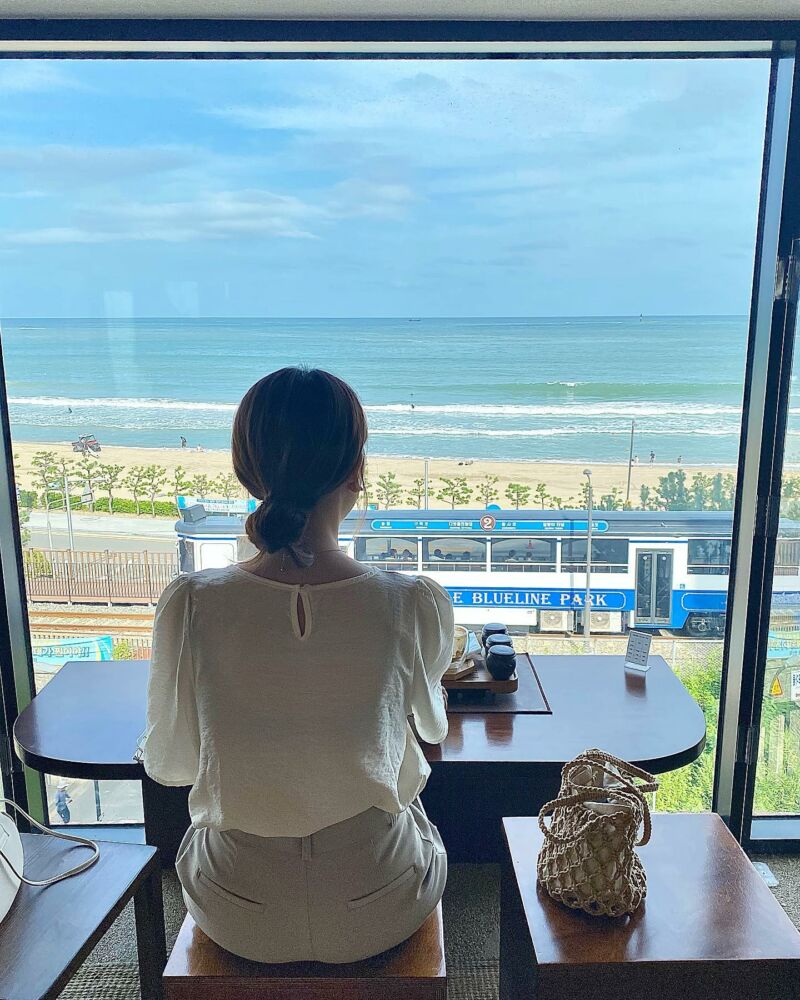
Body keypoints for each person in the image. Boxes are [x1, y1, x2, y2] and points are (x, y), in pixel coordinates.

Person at [144, 367, 451, 965]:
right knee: (414, 817)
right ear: (356, 469)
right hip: (378, 905)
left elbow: (172, 764)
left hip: (237, 910)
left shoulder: (192, 602)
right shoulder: (408, 601)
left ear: (248, 470)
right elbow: (431, 730)